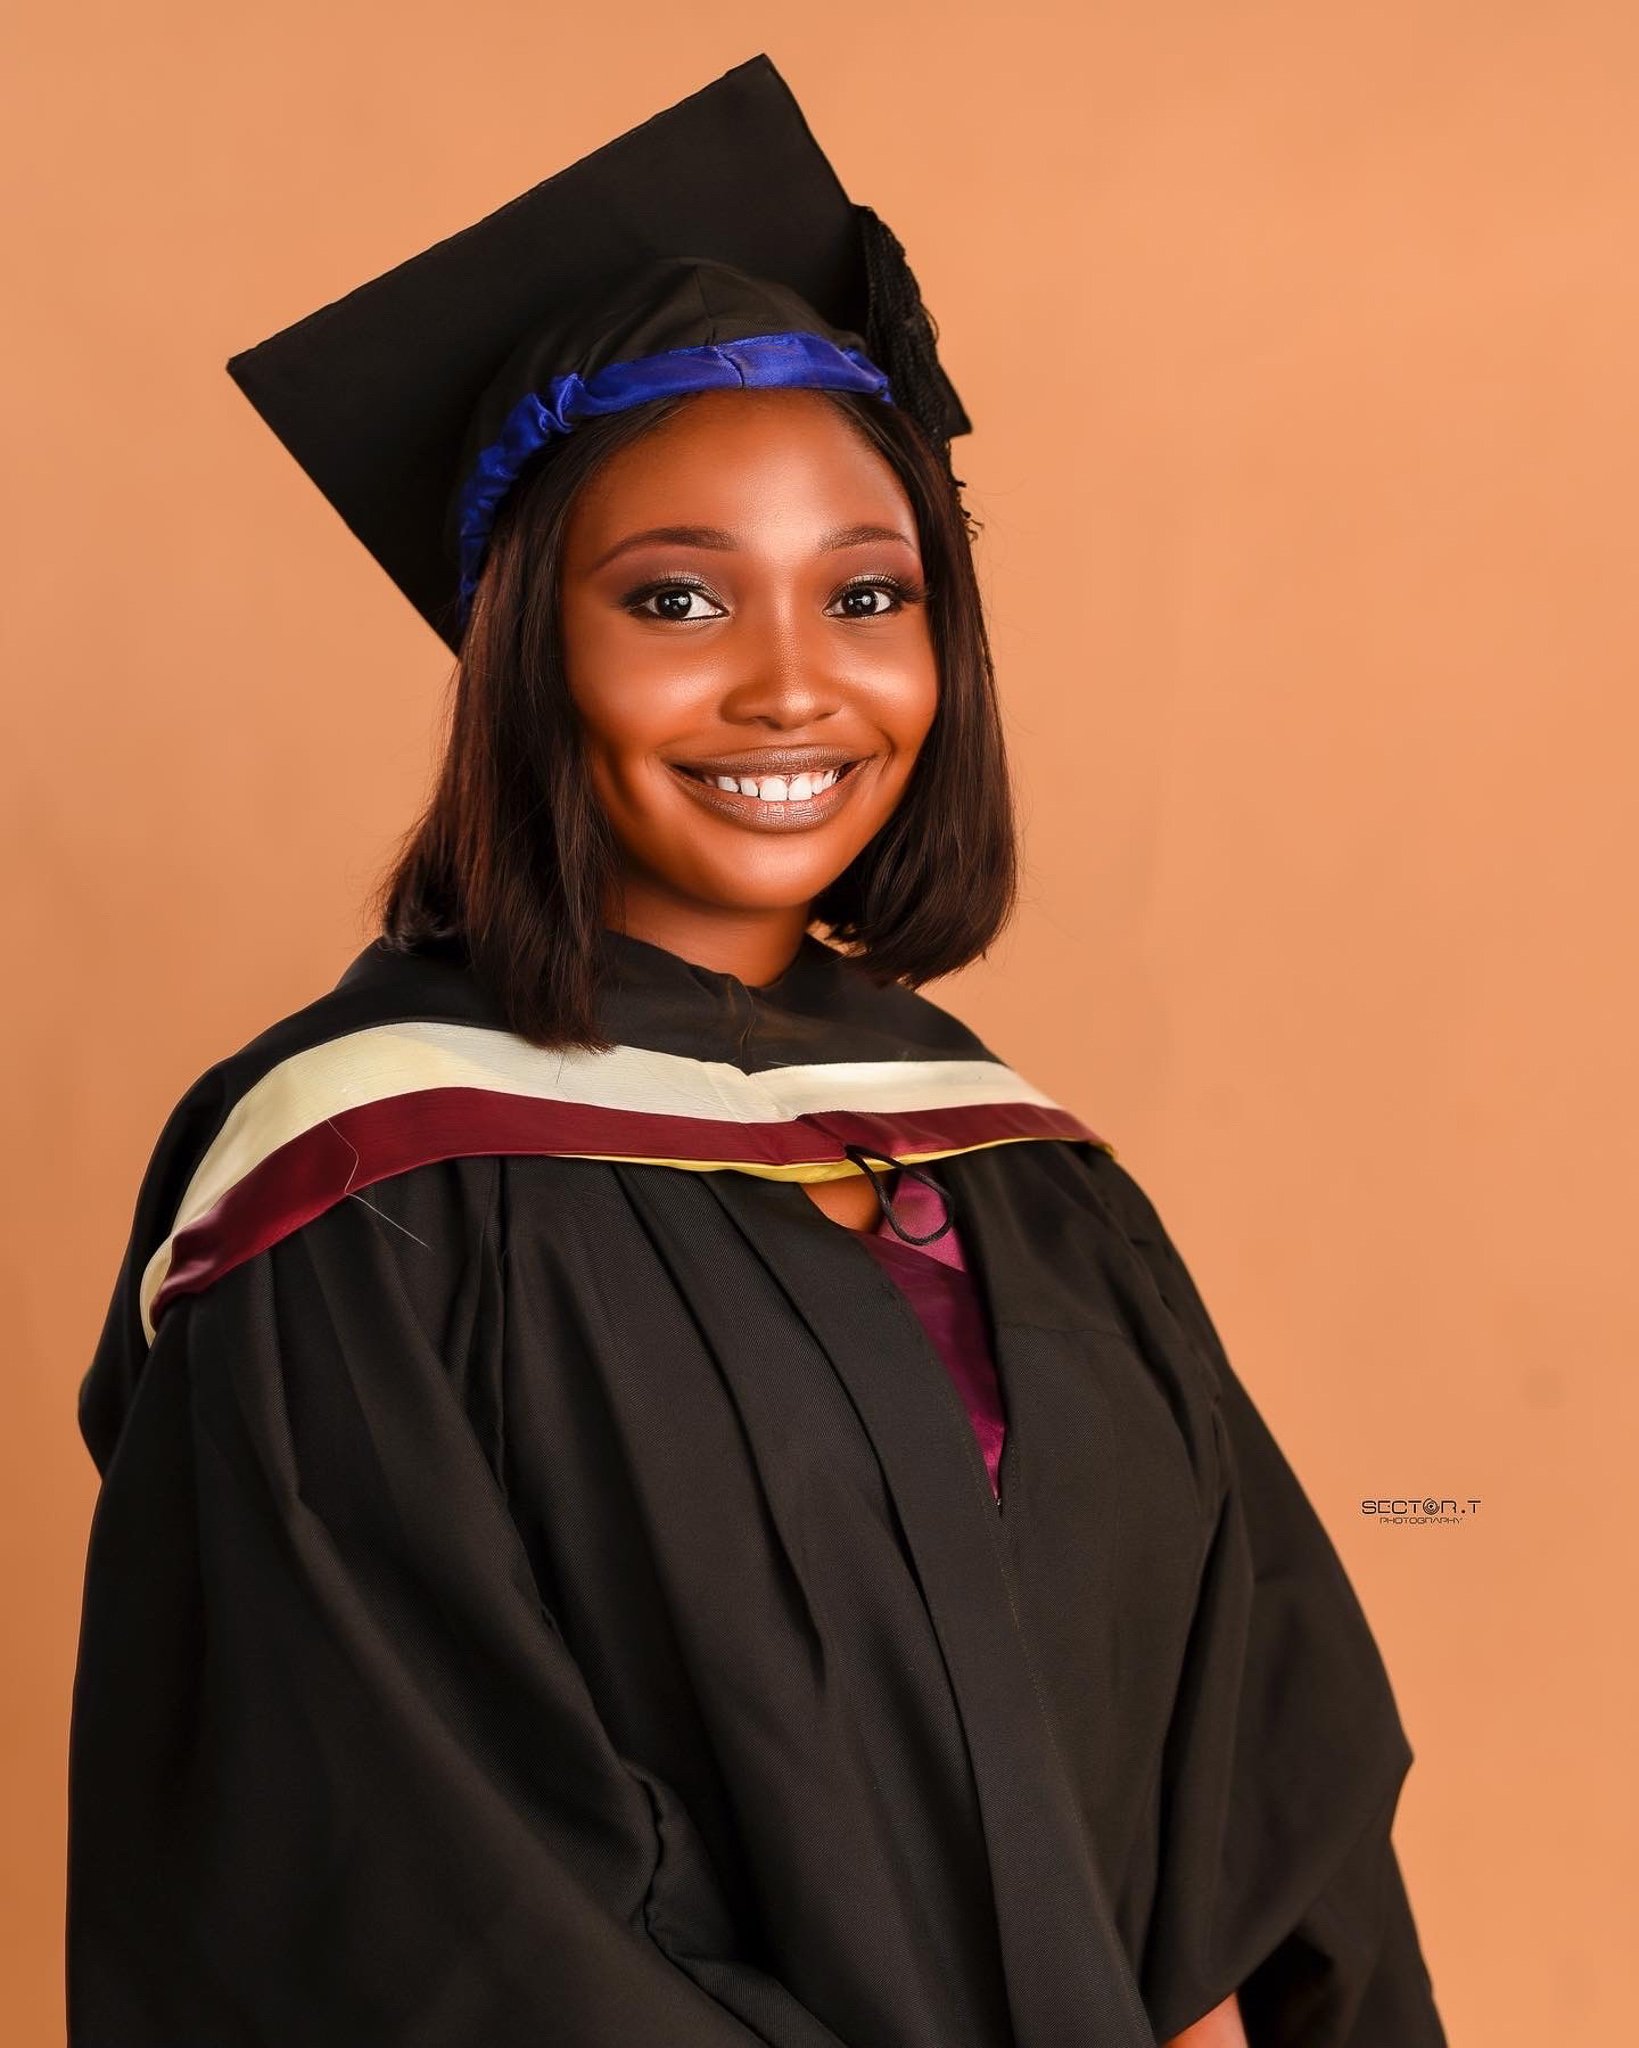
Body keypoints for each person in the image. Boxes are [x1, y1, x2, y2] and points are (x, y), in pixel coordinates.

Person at [66, 53, 1449, 2048]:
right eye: (678, 598)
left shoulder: (1015, 1168)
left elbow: (1271, 1738)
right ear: (527, 647)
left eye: (868, 593)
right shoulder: (361, 1198)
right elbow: (410, 1891)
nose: (795, 685)